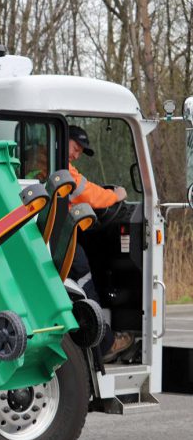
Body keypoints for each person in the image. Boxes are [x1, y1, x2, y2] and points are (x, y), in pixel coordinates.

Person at [67, 125, 133, 363]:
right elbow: (87, 194)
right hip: (59, 239)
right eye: (75, 148)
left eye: (80, 152)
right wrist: (115, 196)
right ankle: (105, 344)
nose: (76, 155)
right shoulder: (58, 167)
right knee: (85, 284)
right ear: (64, 140)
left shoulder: (44, 160)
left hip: (50, 234)